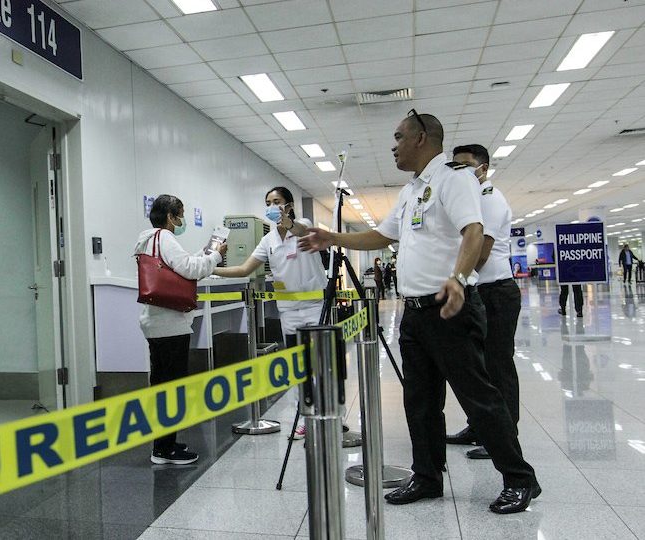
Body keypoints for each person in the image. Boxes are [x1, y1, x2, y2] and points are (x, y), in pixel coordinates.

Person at [299, 110, 539, 514]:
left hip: (449, 309)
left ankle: (520, 479)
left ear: (422, 138)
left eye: (398, 137)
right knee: (420, 401)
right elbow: (382, 234)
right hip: (414, 312)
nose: (393, 145)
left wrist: (459, 280)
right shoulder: (412, 190)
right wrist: (332, 238)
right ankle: (427, 476)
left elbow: (473, 231)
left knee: (479, 398)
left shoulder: (454, 178)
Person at [214, 186, 328, 440]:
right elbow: (244, 269)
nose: (271, 206)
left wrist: (289, 223)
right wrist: (210, 269)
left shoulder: (303, 226)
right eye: (268, 202)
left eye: (277, 201)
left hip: (313, 309)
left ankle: (327, 415)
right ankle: (305, 417)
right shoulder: (268, 241)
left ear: (288, 205)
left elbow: (300, 229)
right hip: (288, 312)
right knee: (298, 368)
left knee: (319, 364)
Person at [136, 194, 225, 465]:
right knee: (172, 387)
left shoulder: (148, 239)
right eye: (180, 215)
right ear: (170, 216)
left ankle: (163, 445)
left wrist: (205, 254)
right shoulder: (164, 237)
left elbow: (179, 264)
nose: (182, 220)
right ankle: (165, 449)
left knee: (162, 385)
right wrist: (215, 257)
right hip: (170, 324)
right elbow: (188, 269)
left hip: (156, 323)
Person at [445, 144, 521, 461]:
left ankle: (503, 436)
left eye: (466, 166)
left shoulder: (490, 201)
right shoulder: (474, 199)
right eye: (456, 166)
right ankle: (478, 427)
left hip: (496, 292)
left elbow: (482, 251)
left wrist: (459, 282)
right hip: (483, 290)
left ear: (483, 168)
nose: (460, 172)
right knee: (480, 368)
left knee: (498, 367)